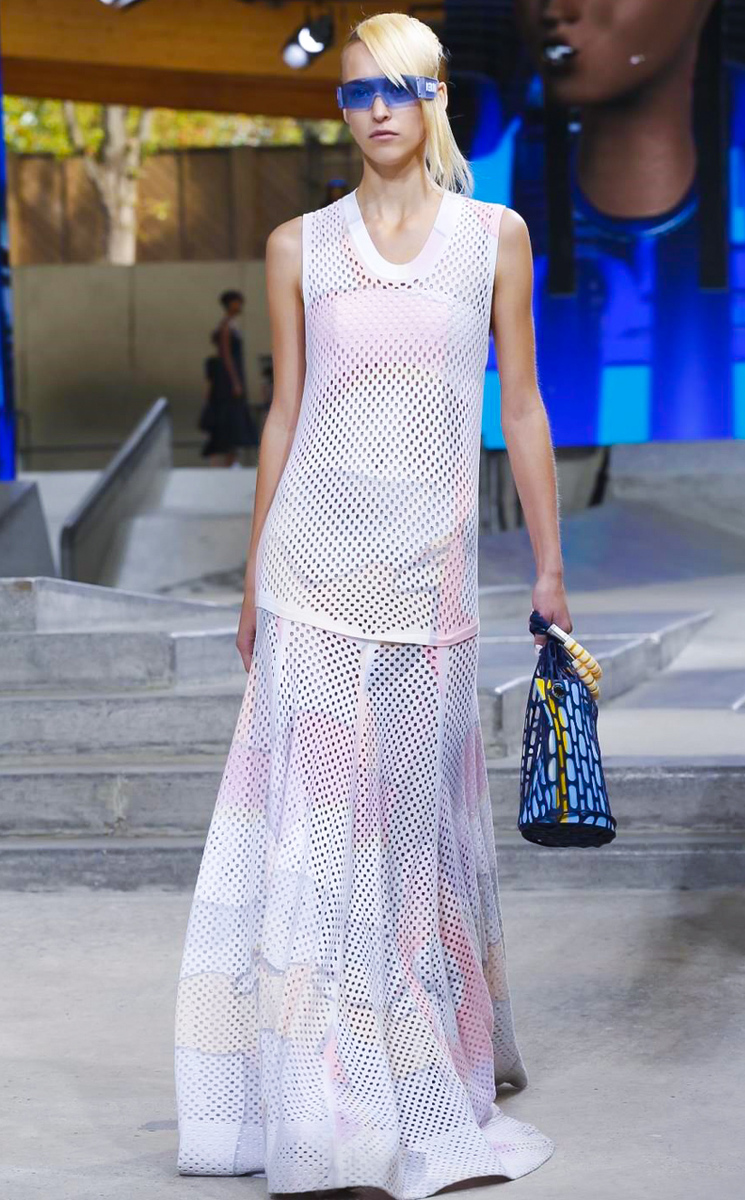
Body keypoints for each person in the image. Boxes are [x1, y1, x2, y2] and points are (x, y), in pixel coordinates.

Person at [174, 11, 570, 1198]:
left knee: (401, 842)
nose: (378, 109)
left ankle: (411, 1077)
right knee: (312, 843)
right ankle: (322, 1117)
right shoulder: (298, 245)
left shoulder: (493, 238)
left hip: (427, 583)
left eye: (398, 88)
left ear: (435, 96)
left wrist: (547, 567)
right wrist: (255, 570)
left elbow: (523, 407)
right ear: (341, 107)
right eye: (356, 92)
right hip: (310, 573)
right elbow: (284, 414)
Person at [200, 289, 260, 466]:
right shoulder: (226, 326)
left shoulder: (233, 325)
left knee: (235, 416)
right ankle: (226, 459)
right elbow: (226, 355)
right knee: (228, 415)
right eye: (236, 302)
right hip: (227, 379)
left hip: (234, 376)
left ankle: (232, 459)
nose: (239, 305)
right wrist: (235, 381)